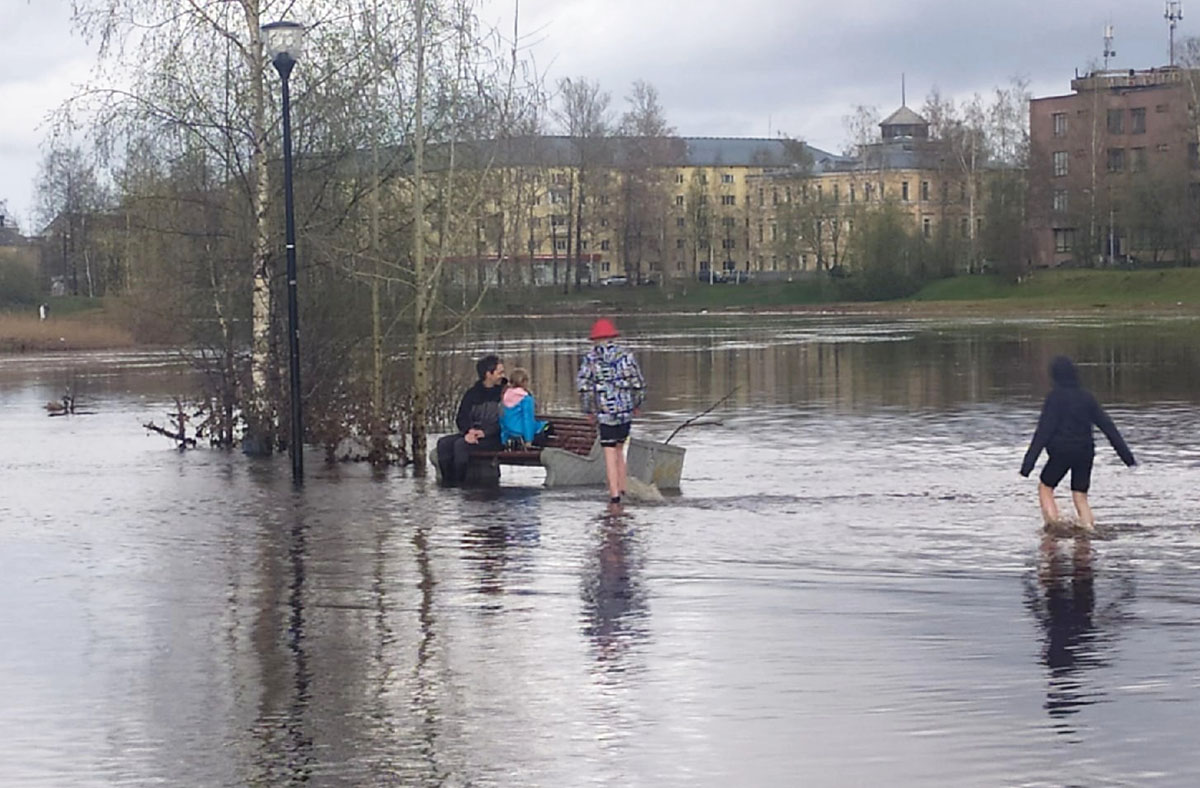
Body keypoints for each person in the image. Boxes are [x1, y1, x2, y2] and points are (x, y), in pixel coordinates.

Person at [1020, 355, 1136, 532]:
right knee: (1080, 495)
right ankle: (1089, 530)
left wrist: (1028, 464)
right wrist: (1127, 457)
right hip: (1085, 452)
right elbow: (1107, 426)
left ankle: (1054, 528)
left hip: (1061, 452)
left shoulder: (1054, 398)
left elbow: (1043, 431)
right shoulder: (1087, 397)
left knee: (1045, 487)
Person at [576, 318, 645, 504]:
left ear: (595, 339)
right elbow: (637, 383)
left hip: (603, 411)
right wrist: (637, 404)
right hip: (625, 410)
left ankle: (614, 495)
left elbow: (583, 387)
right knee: (620, 449)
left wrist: (588, 410)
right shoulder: (626, 356)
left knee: (608, 452)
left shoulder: (590, 359)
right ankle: (623, 488)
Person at [435, 354, 505, 485]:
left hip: (496, 437)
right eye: (499, 372)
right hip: (472, 435)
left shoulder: (505, 393)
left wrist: (485, 433)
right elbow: (461, 417)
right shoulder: (472, 393)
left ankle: (460, 484)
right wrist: (469, 431)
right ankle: (447, 483)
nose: (502, 375)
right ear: (488, 374)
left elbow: (506, 421)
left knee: (461, 446)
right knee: (443, 443)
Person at [499, 367, 550, 449]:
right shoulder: (526, 398)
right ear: (524, 382)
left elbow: (502, 419)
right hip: (522, 433)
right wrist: (528, 440)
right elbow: (527, 420)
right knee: (548, 426)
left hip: (510, 432)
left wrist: (503, 439)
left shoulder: (504, 396)